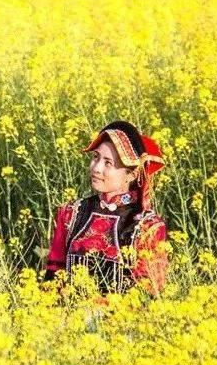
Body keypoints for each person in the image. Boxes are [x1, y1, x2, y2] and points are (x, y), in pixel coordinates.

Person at [43, 120, 169, 298]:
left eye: (108, 163)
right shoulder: (71, 213)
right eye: (96, 157)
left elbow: (149, 294)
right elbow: (53, 275)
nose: (96, 168)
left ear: (131, 175)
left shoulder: (147, 227)